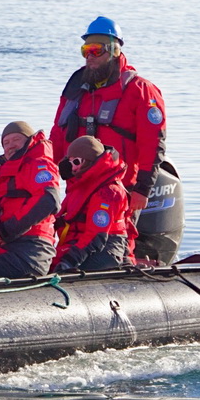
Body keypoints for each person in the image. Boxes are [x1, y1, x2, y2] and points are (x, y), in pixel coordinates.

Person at [50, 16, 166, 252]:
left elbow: (153, 143)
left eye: (95, 50)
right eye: (85, 51)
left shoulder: (140, 90)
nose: (89, 57)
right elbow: (57, 135)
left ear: (114, 50)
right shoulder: (75, 86)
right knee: (73, 245)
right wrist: (48, 178)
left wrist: (143, 189)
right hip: (77, 189)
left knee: (117, 247)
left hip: (121, 190)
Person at [0, 121, 61, 278]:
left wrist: (8, 230)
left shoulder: (39, 164)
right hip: (5, 247)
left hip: (30, 251)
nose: (11, 145)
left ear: (29, 141)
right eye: (6, 142)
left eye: (16, 139)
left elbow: (49, 200)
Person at [53, 136, 132, 271]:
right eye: (70, 162)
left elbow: (96, 235)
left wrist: (70, 260)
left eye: (76, 162)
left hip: (106, 248)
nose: (72, 167)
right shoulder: (79, 186)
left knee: (63, 270)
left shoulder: (108, 193)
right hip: (76, 243)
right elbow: (60, 218)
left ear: (89, 162)